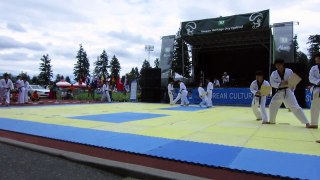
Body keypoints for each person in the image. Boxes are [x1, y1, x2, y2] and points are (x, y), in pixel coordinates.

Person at [267, 59, 310, 127]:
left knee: (295, 107)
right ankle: (272, 121)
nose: (277, 66)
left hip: (288, 91)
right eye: (276, 65)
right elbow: (272, 83)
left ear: (282, 64)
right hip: (279, 91)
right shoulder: (274, 73)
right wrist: (281, 83)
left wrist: (288, 84)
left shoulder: (289, 71)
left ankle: (306, 122)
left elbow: (293, 81)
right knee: (272, 105)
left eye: (279, 65)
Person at [309, 53, 320, 129]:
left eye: (318, 58)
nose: (316, 59)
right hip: (317, 88)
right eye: (316, 58)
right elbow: (310, 78)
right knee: (314, 106)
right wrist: (318, 81)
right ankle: (314, 123)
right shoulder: (313, 68)